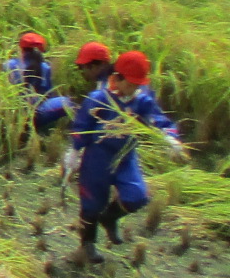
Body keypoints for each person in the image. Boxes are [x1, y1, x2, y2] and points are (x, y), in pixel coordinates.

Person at [35, 49, 184, 264]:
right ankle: (88, 245)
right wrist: (74, 152)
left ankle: (110, 217)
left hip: (125, 156)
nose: (134, 88)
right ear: (117, 78)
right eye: (130, 83)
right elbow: (82, 127)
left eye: (137, 84)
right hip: (98, 157)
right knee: (92, 204)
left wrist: (171, 138)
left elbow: (159, 120)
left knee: (137, 195)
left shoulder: (142, 100)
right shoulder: (99, 99)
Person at [7, 33, 57, 102]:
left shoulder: (10, 64)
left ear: (20, 48)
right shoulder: (45, 67)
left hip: (15, 103)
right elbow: (49, 92)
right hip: (40, 104)